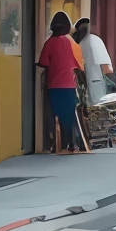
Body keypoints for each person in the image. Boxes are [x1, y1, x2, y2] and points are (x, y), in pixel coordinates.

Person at [38, 11, 86, 153]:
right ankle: (71, 144)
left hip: (53, 85)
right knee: (69, 116)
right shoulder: (72, 43)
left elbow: (43, 63)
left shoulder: (49, 43)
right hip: (69, 85)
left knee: (53, 116)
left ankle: (55, 145)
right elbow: (79, 65)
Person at [74, 17, 115, 96]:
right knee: (98, 107)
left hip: (85, 83)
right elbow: (107, 69)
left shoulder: (79, 44)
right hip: (97, 81)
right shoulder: (95, 39)